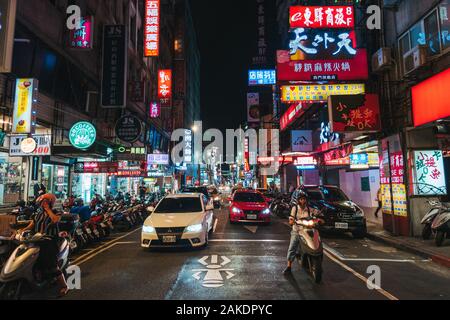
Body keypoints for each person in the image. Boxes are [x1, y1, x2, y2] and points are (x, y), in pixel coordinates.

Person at [18, 187, 68, 296]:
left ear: (50, 202)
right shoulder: (38, 213)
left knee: (52, 265)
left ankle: (64, 286)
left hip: (49, 241)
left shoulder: (56, 211)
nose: (42, 203)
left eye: (45, 201)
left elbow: (55, 220)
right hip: (37, 240)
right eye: (42, 201)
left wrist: (48, 210)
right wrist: (20, 231)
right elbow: (31, 225)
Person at [283, 191, 322, 274]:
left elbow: (316, 213)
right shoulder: (295, 208)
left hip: (308, 229)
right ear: (298, 200)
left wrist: (320, 217)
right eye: (301, 199)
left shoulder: (308, 208)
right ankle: (289, 266)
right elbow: (291, 217)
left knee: (317, 242)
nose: (303, 201)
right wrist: (291, 220)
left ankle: (318, 263)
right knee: (292, 246)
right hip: (297, 230)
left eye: (304, 199)